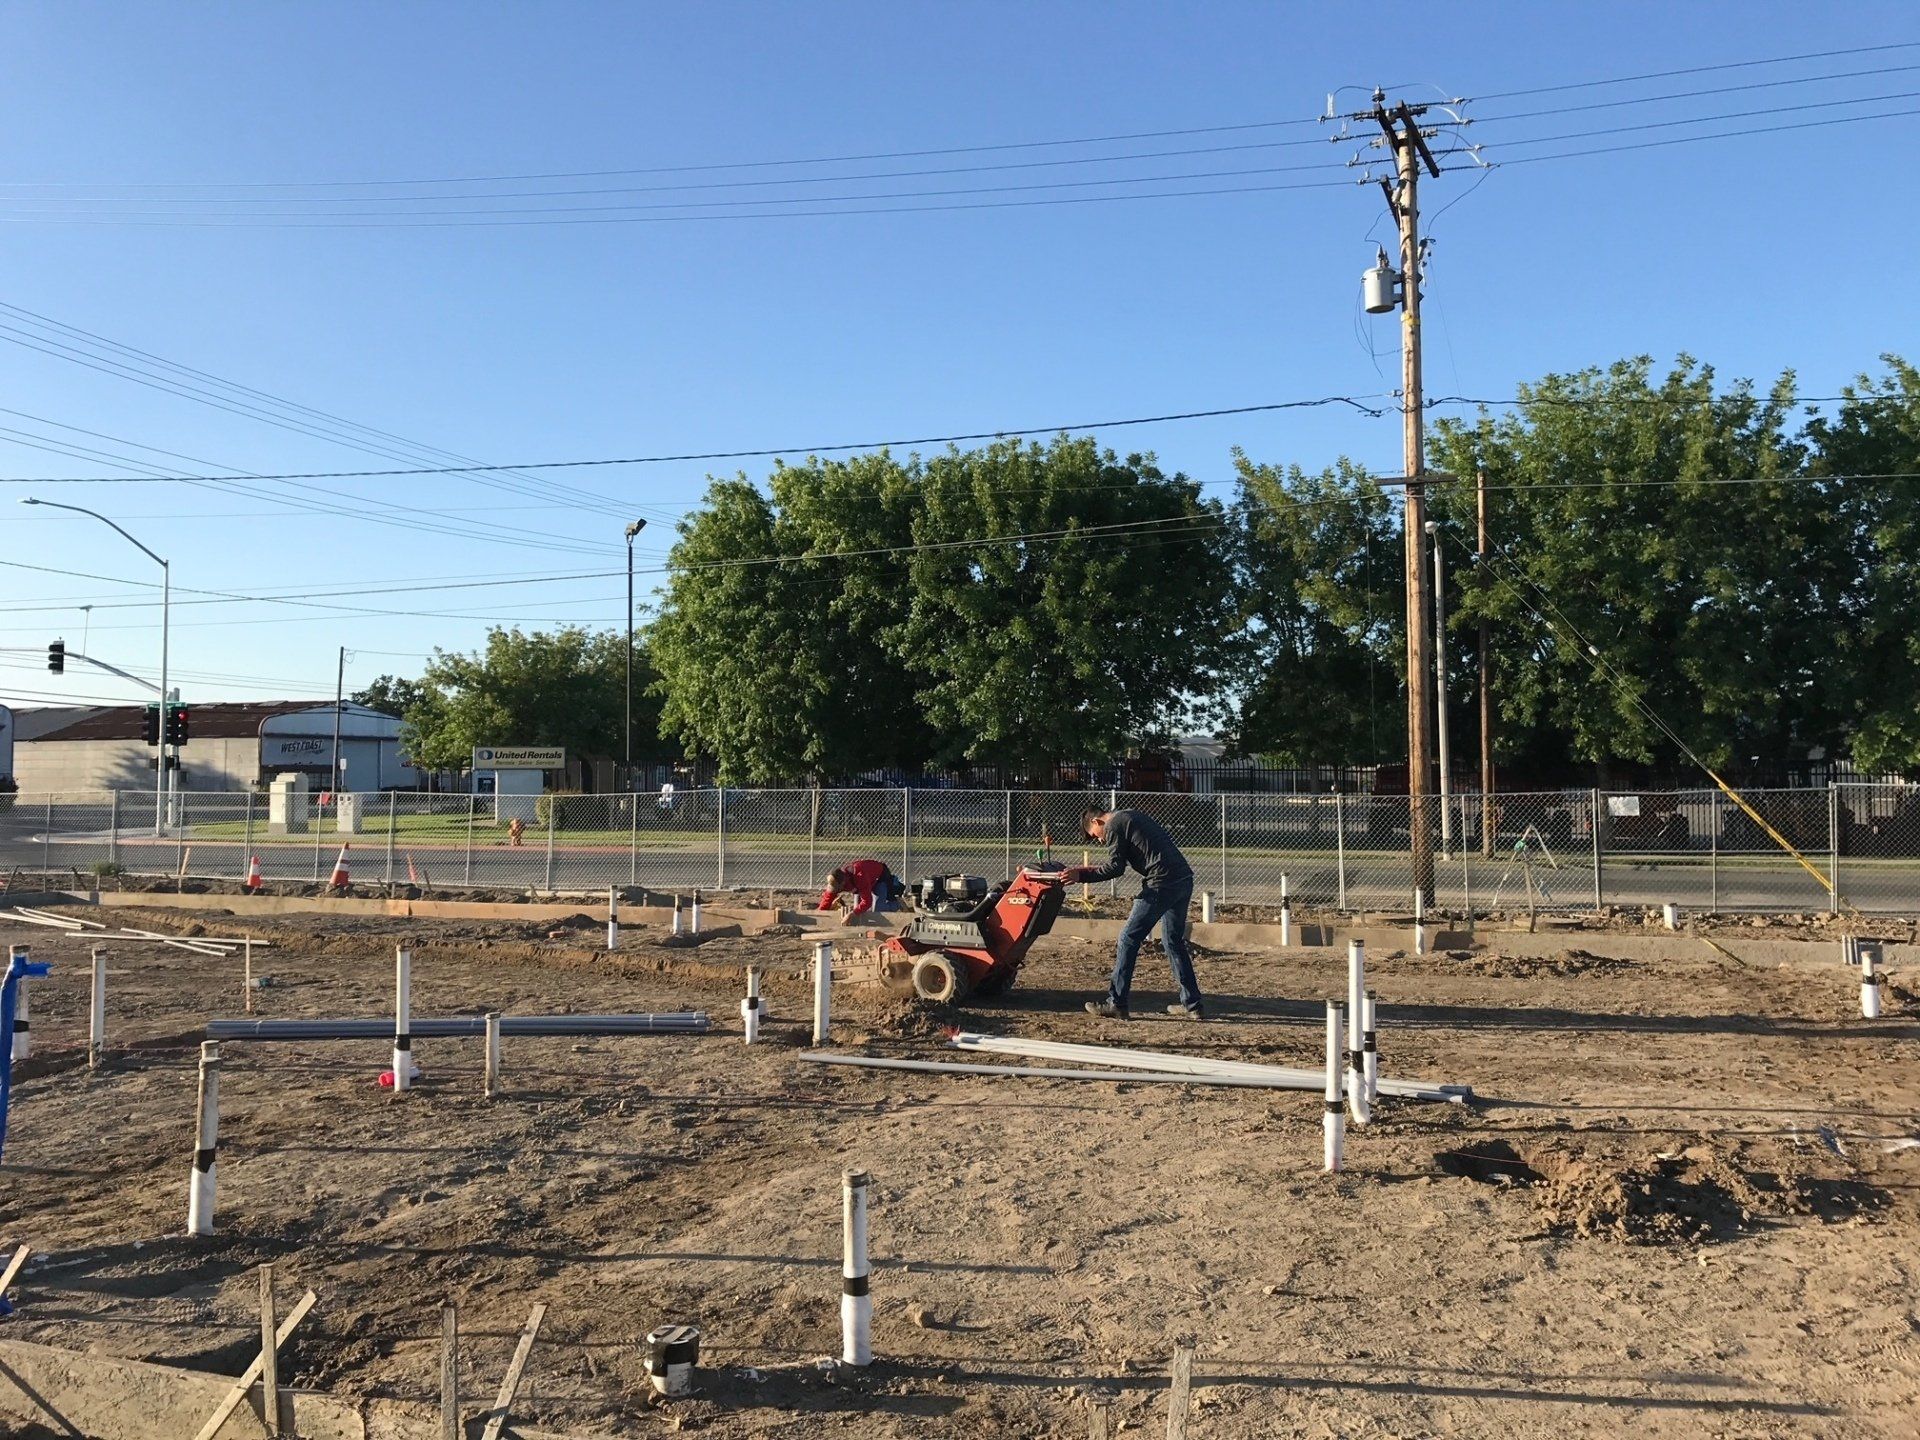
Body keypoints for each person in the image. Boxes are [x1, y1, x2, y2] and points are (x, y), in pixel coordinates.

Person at [1059, 805, 1204, 1020]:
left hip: (1161, 883)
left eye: (1095, 836)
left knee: (1128, 938)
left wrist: (1081, 876)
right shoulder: (1129, 816)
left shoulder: (1113, 825)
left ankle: (1116, 1003)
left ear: (1096, 822)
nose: (1100, 840)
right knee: (1173, 941)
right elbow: (1118, 862)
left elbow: (1116, 868)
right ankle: (1193, 1005)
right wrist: (1083, 871)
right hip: (1182, 879)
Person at [819, 859, 904, 925]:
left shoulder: (859, 876)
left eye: (837, 888)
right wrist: (820, 915)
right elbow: (827, 899)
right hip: (862, 884)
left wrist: (851, 914)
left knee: (877, 910)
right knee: (858, 912)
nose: (835, 891)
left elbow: (867, 902)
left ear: (843, 883)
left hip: (879, 878)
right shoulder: (836, 880)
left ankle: (897, 904)